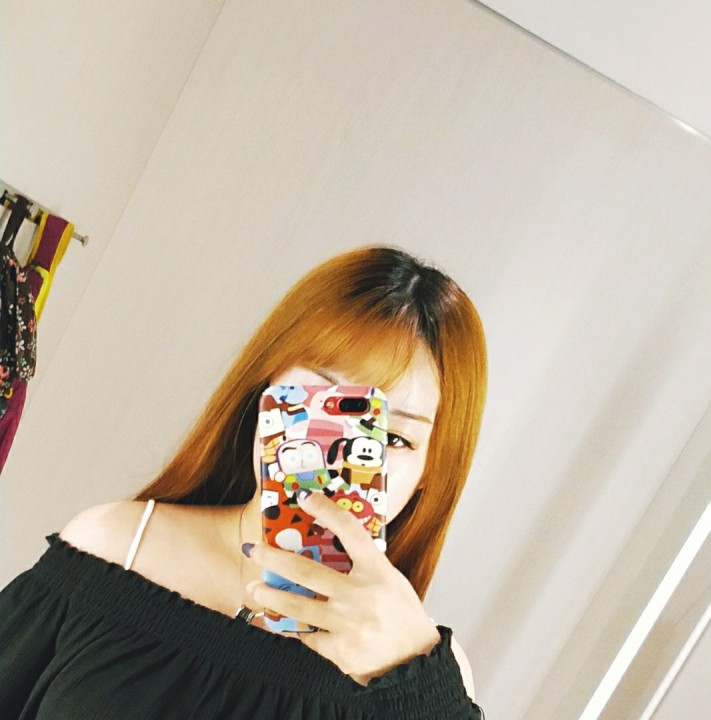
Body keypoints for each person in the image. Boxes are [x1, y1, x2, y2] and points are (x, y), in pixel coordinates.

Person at [0, 245, 488, 719]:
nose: (340, 453)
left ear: (429, 474)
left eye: (396, 437)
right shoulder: (114, 544)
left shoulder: (428, 674)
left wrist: (414, 687)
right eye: (320, 404)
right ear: (265, 393)